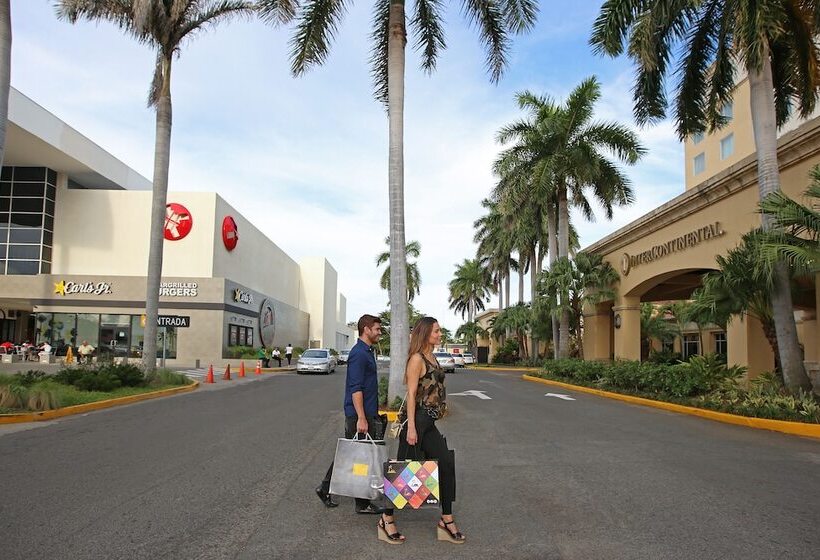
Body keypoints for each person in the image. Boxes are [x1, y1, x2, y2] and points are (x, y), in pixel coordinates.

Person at [316, 314, 404, 543]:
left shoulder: (367, 351)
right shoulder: (358, 354)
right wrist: (362, 418)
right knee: (356, 456)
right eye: (376, 329)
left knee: (356, 456)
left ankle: (336, 492)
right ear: (365, 329)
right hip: (359, 415)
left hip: (367, 413)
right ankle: (355, 500)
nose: (379, 332)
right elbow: (355, 389)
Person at [398, 316, 465, 544]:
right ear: (426, 333)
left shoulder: (432, 356)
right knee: (402, 475)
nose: (439, 334)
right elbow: (411, 395)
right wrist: (411, 428)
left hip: (429, 422)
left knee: (445, 463)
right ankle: (386, 519)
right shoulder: (417, 359)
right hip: (417, 422)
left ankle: (446, 519)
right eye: (436, 331)